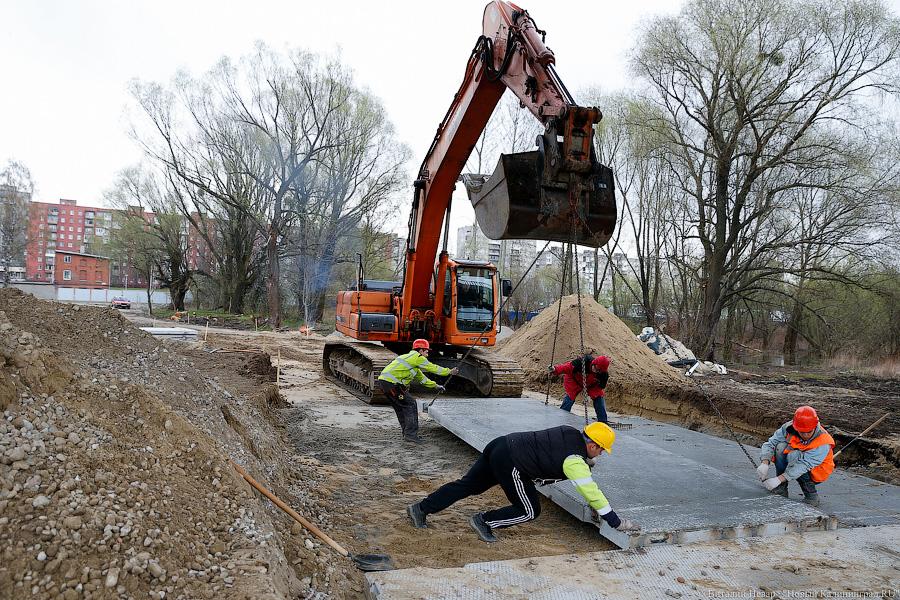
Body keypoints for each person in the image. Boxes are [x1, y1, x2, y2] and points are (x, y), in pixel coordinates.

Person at [406, 422, 640, 542]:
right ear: (593, 445)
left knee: (467, 485)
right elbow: (591, 491)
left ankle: (421, 508)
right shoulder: (574, 461)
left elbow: (554, 449)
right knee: (529, 510)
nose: (601, 454)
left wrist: (584, 460)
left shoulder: (570, 432)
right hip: (514, 464)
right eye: (601, 450)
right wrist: (614, 520)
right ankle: (484, 521)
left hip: (501, 445)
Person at [376, 339, 457, 444]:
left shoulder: (411, 361)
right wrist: (449, 371)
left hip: (385, 383)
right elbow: (432, 367)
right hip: (392, 384)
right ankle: (411, 435)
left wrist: (436, 386)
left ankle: (407, 433)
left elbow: (422, 379)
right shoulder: (417, 357)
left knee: (401, 408)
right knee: (411, 404)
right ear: (421, 350)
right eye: (426, 352)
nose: (427, 354)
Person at [757, 405, 835, 506]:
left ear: (815, 426)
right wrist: (765, 462)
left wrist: (779, 479)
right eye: (802, 432)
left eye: (809, 432)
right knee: (780, 448)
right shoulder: (788, 428)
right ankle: (782, 489)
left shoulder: (823, 442)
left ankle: (811, 496)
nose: (805, 435)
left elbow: (804, 464)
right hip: (796, 460)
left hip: (817, 470)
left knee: (795, 457)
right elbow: (771, 443)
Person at [548, 354, 611, 423]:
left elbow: (600, 387)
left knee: (599, 397)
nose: (596, 371)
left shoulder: (603, 375)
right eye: (596, 368)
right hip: (574, 380)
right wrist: (555, 369)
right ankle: (562, 417)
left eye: (599, 370)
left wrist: (589, 395)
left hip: (590, 384)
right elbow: (567, 367)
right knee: (570, 396)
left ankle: (603, 421)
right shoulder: (582, 362)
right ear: (594, 363)